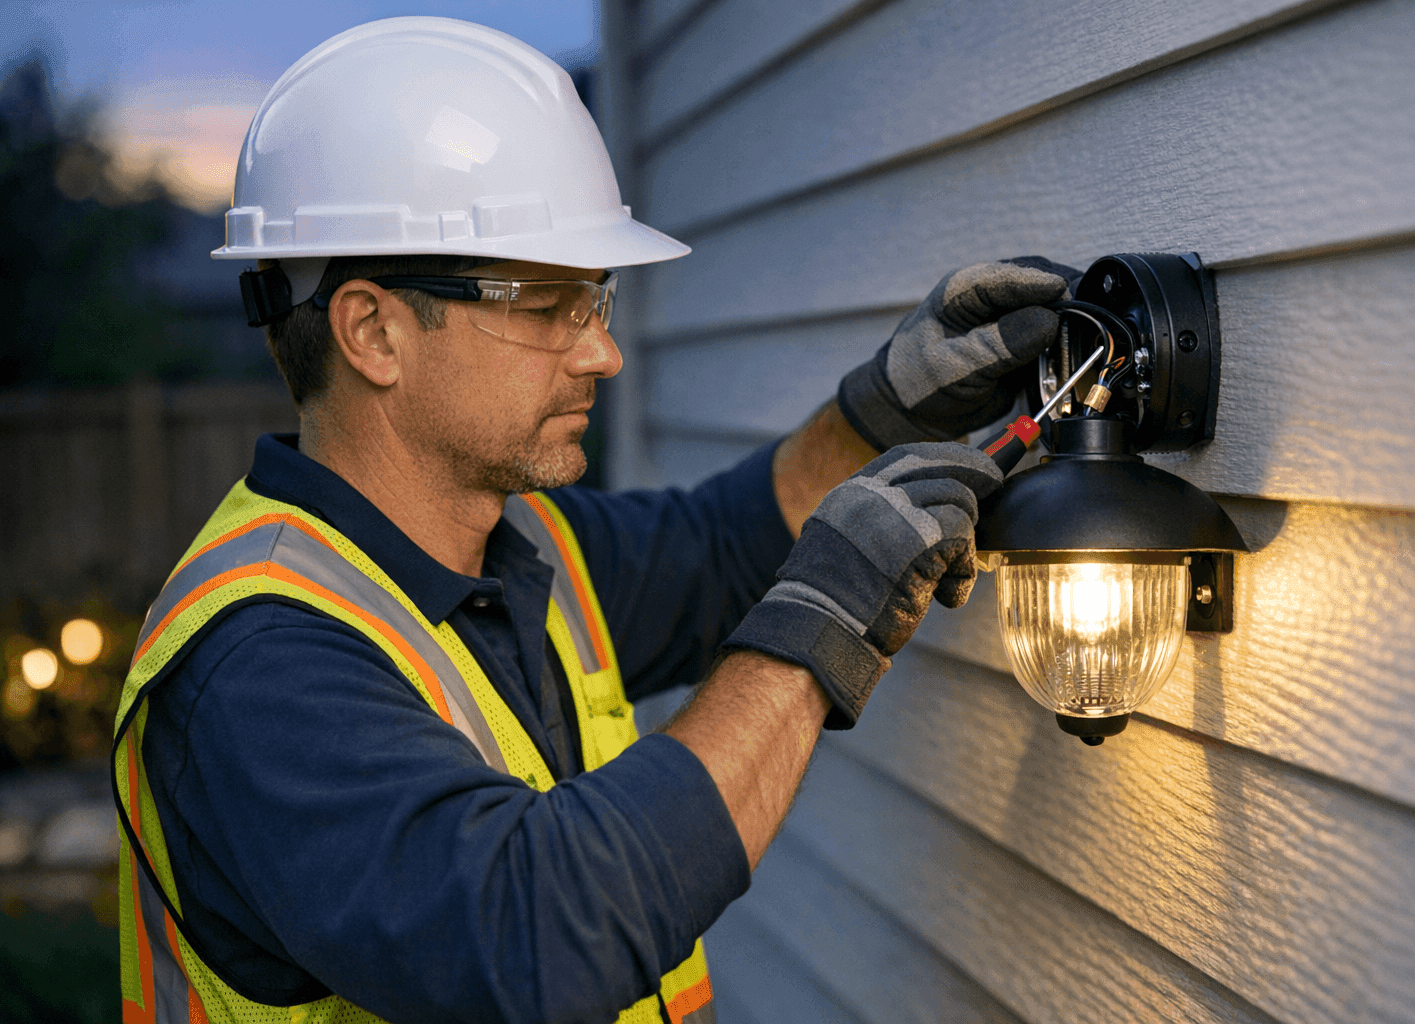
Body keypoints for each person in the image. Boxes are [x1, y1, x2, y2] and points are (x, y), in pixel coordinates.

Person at [112, 17, 1078, 1024]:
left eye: (597, 301)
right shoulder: (258, 665)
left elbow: (722, 548)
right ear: (373, 331)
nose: (600, 355)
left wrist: (878, 414)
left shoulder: (529, 546)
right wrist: (822, 626)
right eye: (545, 307)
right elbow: (532, 936)